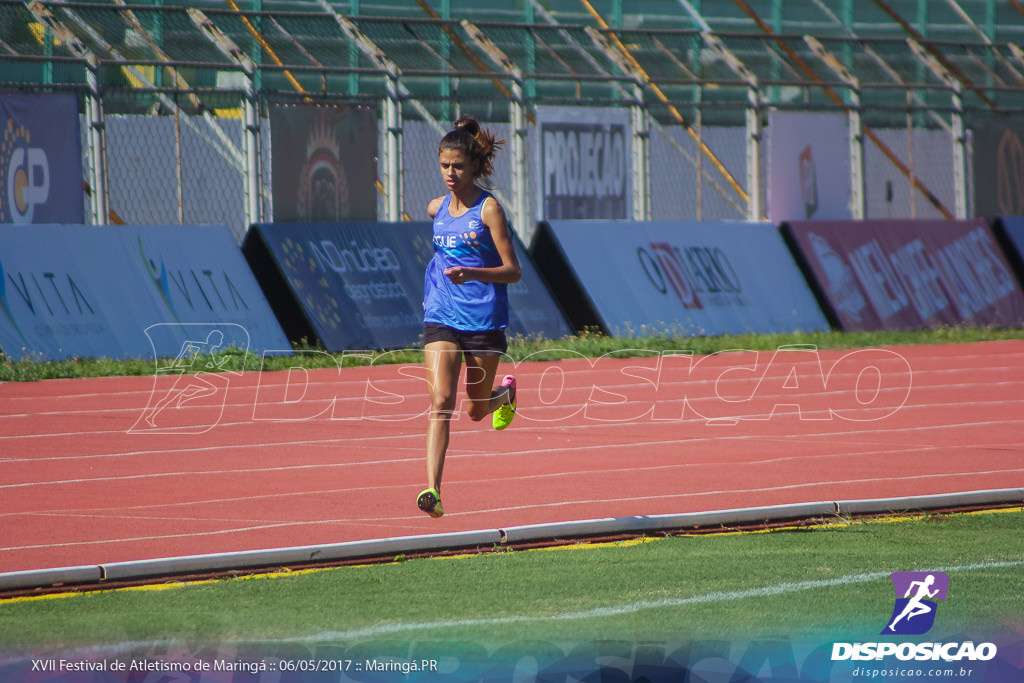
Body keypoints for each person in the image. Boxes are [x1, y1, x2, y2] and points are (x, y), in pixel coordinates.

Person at [417, 116, 522, 518]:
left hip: (482, 319)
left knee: (475, 410)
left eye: (457, 166)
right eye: (444, 165)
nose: (449, 173)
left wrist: (473, 272)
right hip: (441, 312)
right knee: (440, 400)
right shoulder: (437, 207)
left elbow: (513, 271)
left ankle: (506, 394)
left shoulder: (489, 210)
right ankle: (432, 490)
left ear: (474, 165)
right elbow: (435, 212)